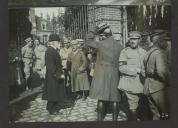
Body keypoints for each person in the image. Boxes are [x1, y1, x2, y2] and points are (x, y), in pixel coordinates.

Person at [88, 23, 123, 121]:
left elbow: (88, 41)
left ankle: (99, 120)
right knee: (115, 98)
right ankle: (114, 121)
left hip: (101, 74)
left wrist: (94, 29)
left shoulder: (100, 44)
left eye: (101, 35)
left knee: (101, 98)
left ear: (104, 35)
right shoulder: (120, 46)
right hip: (115, 74)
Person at [118, 31, 146, 120]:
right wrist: (136, 70)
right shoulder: (125, 52)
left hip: (142, 83)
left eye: (135, 39)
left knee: (140, 105)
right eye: (131, 39)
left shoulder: (144, 52)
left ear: (139, 40)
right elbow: (121, 68)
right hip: (130, 83)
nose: (133, 41)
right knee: (133, 105)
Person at [143, 29, 170, 120]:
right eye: (164, 40)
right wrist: (171, 82)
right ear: (159, 41)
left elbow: (144, 70)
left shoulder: (148, 52)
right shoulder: (159, 53)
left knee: (156, 114)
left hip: (148, 87)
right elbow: (161, 72)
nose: (166, 42)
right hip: (158, 88)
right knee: (166, 115)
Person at [42, 34, 65, 115]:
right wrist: (58, 75)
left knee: (55, 92)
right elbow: (51, 66)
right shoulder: (49, 51)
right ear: (54, 42)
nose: (60, 44)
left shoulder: (53, 50)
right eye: (59, 42)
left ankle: (51, 107)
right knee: (53, 92)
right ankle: (52, 110)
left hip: (54, 75)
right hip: (53, 76)